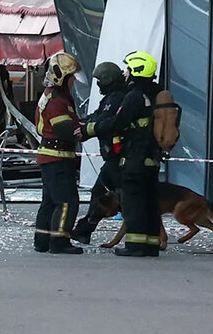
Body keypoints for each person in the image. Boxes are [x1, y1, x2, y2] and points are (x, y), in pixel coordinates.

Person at [92, 51, 165, 257]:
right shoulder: (157, 94)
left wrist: (91, 129)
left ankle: (135, 246)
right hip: (153, 158)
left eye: (128, 69)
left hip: (135, 158)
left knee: (134, 202)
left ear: (136, 71)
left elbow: (118, 122)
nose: (125, 73)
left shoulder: (134, 96)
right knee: (150, 202)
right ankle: (151, 245)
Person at [33, 51, 85, 255]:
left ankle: (42, 239)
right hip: (58, 158)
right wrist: (86, 128)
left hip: (51, 157)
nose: (73, 81)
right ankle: (60, 241)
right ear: (61, 77)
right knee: (66, 201)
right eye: (71, 77)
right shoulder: (57, 101)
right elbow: (65, 129)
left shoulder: (52, 95)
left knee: (50, 201)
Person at [71, 61, 127, 244]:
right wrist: (84, 123)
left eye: (100, 80)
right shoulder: (113, 96)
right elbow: (98, 115)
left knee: (100, 195)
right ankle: (84, 230)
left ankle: (84, 230)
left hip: (117, 158)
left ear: (108, 79)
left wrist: (86, 129)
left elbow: (106, 120)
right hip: (116, 158)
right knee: (115, 196)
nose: (98, 84)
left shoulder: (117, 97)